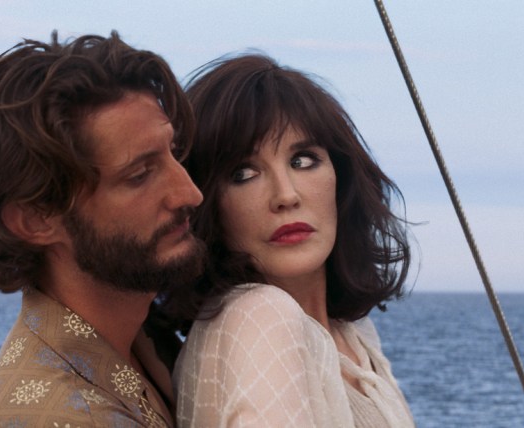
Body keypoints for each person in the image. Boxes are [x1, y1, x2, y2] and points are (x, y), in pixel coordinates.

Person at [0, 31, 204, 427]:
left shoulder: (141, 338)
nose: (190, 193)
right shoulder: (59, 416)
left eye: (174, 153)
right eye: (139, 175)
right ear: (36, 220)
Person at [166, 54, 415, 427]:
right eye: (244, 173)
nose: (286, 195)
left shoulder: (352, 334)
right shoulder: (260, 317)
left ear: (340, 177)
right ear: (206, 202)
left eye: (302, 160)